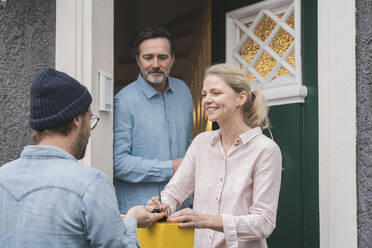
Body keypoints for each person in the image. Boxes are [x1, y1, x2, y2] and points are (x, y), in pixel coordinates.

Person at [0, 68, 164, 247]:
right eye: (90, 119)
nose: (90, 133)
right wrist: (131, 221)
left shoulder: (3, 177)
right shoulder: (91, 184)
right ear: (76, 120)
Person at [148, 64, 282, 248]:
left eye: (216, 93)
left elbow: (264, 223)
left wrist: (208, 220)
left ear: (241, 98)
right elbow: (173, 192)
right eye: (204, 94)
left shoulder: (265, 150)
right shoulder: (201, 143)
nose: (207, 100)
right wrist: (162, 206)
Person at [114, 26, 193, 213]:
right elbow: (118, 163)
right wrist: (170, 168)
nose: (155, 64)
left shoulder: (184, 92)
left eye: (162, 57)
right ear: (137, 60)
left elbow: (188, 146)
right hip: (141, 211)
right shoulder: (123, 102)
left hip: (181, 207)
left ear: (172, 59)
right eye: (148, 57)